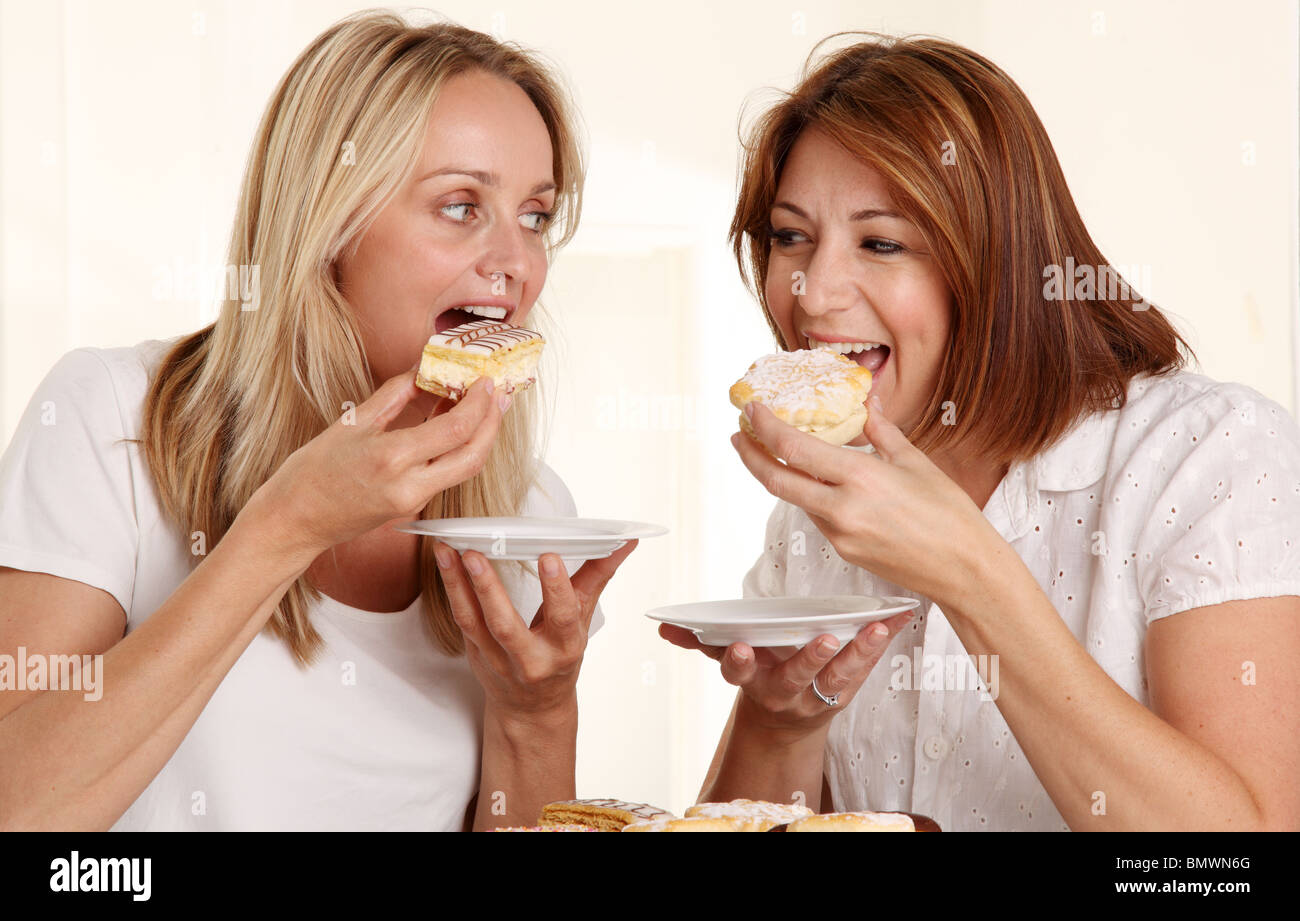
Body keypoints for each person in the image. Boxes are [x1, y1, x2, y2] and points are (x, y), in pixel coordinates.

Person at [0, 10, 634, 831]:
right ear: (328, 222)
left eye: (536, 216)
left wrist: (536, 711)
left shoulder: (527, 513)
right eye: (459, 205)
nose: (515, 262)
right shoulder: (112, 418)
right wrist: (287, 525)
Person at [661, 33, 1300, 831]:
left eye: (881, 242)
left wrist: (968, 570)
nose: (813, 293)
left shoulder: (1210, 458)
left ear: (997, 262)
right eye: (792, 236)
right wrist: (784, 721)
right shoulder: (819, 511)